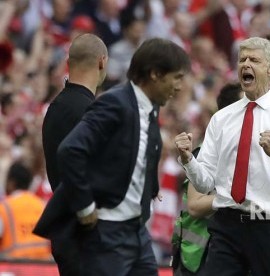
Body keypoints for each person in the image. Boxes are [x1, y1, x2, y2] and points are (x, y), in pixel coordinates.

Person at [34, 37, 191, 276]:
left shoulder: (141, 109)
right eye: (176, 77)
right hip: (98, 232)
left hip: (128, 229)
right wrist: (86, 208)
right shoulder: (110, 104)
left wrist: (148, 187)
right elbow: (72, 153)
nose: (179, 86)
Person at [175, 37, 270, 276]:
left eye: (254, 60)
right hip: (227, 226)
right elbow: (205, 183)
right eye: (242, 59)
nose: (246, 64)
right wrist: (188, 160)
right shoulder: (221, 118)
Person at [41, 33, 108, 276]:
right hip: (87, 237)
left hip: (66, 233)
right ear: (102, 62)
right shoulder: (91, 112)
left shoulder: (55, 108)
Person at [171, 82, 243, 276]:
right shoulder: (206, 153)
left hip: (229, 255)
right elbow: (195, 206)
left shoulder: (246, 155)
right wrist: (238, 197)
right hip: (198, 259)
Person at [0, 162, 52, 260]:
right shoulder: (42, 205)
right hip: (44, 267)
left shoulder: (4, 208)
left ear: (11, 183)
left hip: (13, 268)